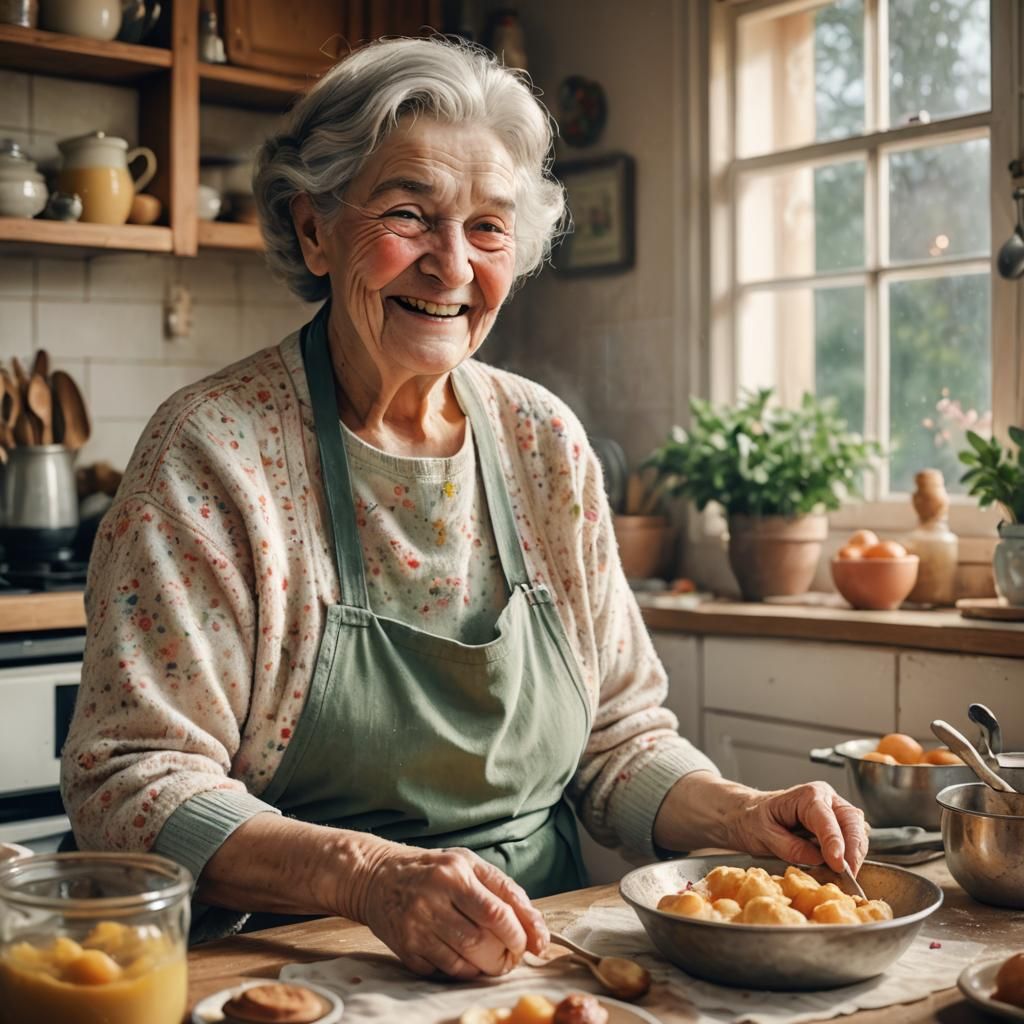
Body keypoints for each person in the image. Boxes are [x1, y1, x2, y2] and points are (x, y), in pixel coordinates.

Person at [61, 37, 867, 981]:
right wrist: (366, 877)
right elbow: (132, 782)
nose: (450, 266)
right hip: (290, 970)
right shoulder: (212, 453)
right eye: (409, 214)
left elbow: (617, 739)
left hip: (538, 959)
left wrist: (738, 813)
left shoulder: (543, 442)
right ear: (314, 231)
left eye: (488, 228)